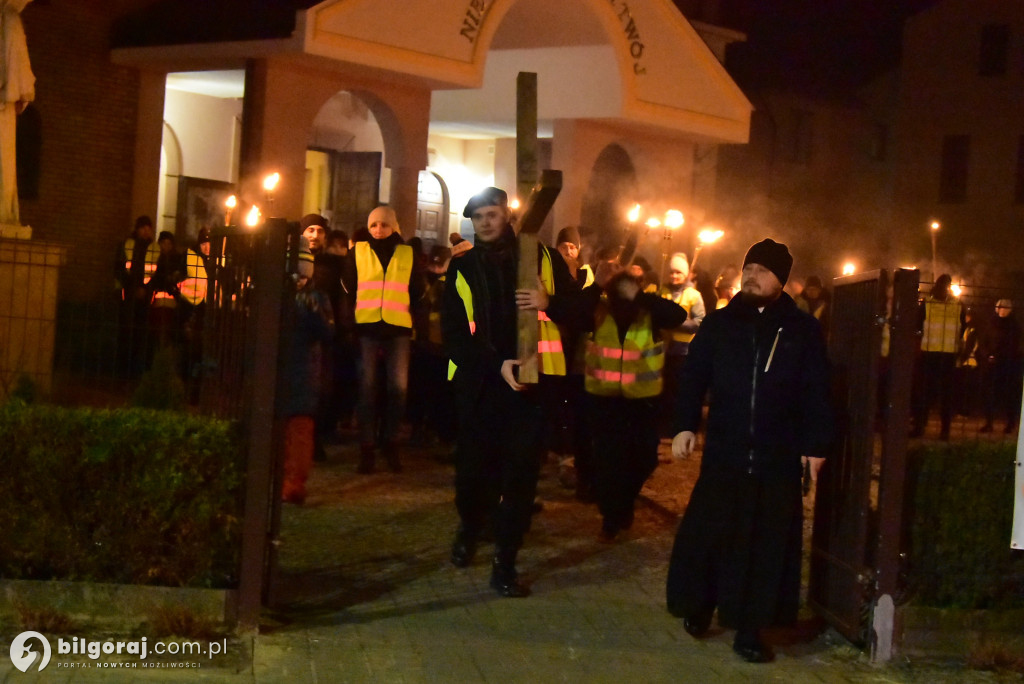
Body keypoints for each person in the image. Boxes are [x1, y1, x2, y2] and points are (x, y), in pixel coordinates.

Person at [666, 238, 833, 664]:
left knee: (764, 547)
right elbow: (694, 377)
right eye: (749, 268)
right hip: (726, 450)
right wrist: (684, 424)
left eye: (763, 270)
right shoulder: (720, 324)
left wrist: (815, 444)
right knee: (711, 536)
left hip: (777, 456)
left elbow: (816, 390)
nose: (752, 276)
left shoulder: (802, 329)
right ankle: (701, 604)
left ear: (782, 280)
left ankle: (751, 627)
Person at [442, 186, 578, 598]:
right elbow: (454, 332)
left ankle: (506, 559)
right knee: (473, 472)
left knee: (520, 476)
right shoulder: (463, 267)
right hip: (481, 385)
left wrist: (548, 300)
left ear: (508, 216)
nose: (485, 222)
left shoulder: (543, 258)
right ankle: (470, 528)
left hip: (532, 386)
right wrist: (495, 363)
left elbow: (581, 310)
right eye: (478, 216)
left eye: (492, 214)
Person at [581, 257, 686, 541]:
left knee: (645, 459)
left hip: (642, 403)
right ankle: (611, 519)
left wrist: (640, 297)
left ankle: (623, 504)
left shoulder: (649, 313)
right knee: (608, 463)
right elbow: (572, 310)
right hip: (604, 401)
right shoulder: (599, 312)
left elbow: (677, 315)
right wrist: (598, 285)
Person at [343, 205, 421, 473]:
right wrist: (348, 326)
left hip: (398, 329)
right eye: (373, 225)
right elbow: (347, 291)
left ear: (394, 226)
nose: (378, 229)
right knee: (367, 389)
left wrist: (417, 328)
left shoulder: (408, 253)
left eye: (384, 224)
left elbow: (418, 293)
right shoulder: (357, 252)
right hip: (366, 327)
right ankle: (367, 447)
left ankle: (391, 442)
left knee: (398, 390)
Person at [278, 237, 335, 504]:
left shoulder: (317, 299)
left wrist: (315, 314)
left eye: (303, 276)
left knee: (300, 432)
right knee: (281, 432)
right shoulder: (279, 297)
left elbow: (328, 333)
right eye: (295, 276)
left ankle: (295, 483)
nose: (299, 281)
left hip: (304, 374)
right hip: (283, 372)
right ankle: (281, 479)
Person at [657, 253, 705, 440]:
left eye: (678, 272)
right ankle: (665, 425)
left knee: (680, 391)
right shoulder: (662, 292)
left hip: (684, 352)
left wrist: (677, 322)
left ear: (685, 274)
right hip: (663, 351)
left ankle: (679, 426)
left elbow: (700, 322)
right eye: (671, 272)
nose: (674, 276)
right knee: (665, 391)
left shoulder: (694, 295)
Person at [910, 274, 962, 440]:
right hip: (931, 354)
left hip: (946, 355)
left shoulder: (957, 305)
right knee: (926, 393)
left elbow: (962, 329)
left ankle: (942, 430)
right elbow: (917, 326)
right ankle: (921, 426)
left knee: (944, 395)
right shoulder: (928, 304)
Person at [114, 215, 159, 376]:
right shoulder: (127, 245)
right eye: (143, 228)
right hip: (128, 296)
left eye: (148, 228)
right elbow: (120, 269)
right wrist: (134, 288)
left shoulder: (154, 248)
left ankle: (136, 370)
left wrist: (145, 289)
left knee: (141, 333)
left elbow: (156, 272)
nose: (146, 231)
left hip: (146, 298)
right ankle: (123, 369)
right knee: (126, 331)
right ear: (137, 229)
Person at [980, 299, 1022, 434]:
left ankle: (1010, 423)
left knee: (1009, 395)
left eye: (1005, 308)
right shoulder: (990, 324)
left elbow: (1016, 345)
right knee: (989, 395)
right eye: (1000, 307)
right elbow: (983, 342)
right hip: (992, 364)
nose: (1003, 310)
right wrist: (988, 355)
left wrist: (1005, 356)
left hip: (1008, 365)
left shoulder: (1014, 326)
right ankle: (989, 423)